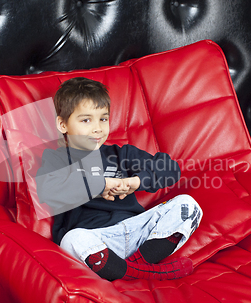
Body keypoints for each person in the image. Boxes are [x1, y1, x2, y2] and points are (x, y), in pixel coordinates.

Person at [36, 77, 203, 281]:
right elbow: (49, 190)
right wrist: (101, 184)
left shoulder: (120, 154)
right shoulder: (57, 159)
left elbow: (170, 169)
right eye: (86, 120)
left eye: (103, 119)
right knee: (70, 240)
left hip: (137, 233)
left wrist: (137, 182)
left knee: (189, 205)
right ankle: (149, 273)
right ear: (63, 124)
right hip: (96, 242)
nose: (97, 128)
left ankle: (132, 269)